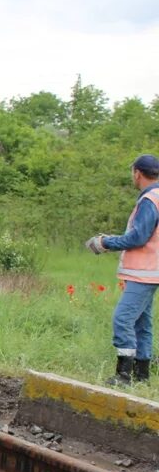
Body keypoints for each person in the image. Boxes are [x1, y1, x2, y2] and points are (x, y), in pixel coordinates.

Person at [86, 154, 159, 385]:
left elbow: (138, 237)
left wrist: (105, 242)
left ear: (137, 172)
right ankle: (142, 375)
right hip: (151, 271)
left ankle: (124, 375)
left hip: (145, 272)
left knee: (122, 319)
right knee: (142, 323)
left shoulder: (150, 199)